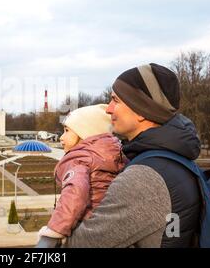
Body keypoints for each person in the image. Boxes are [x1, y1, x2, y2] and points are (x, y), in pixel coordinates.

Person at [64, 63, 202, 248]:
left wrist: (65, 216)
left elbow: (81, 245)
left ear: (141, 109)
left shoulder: (144, 177)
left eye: (116, 100)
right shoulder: (173, 158)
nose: (108, 109)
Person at [38, 104, 127, 243]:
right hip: (112, 225)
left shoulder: (80, 160)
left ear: (85, 133)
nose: (61, 137)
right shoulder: (115, 154)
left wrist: (55, 229)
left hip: (88, 229)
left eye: (67, 131)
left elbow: (75, 191)